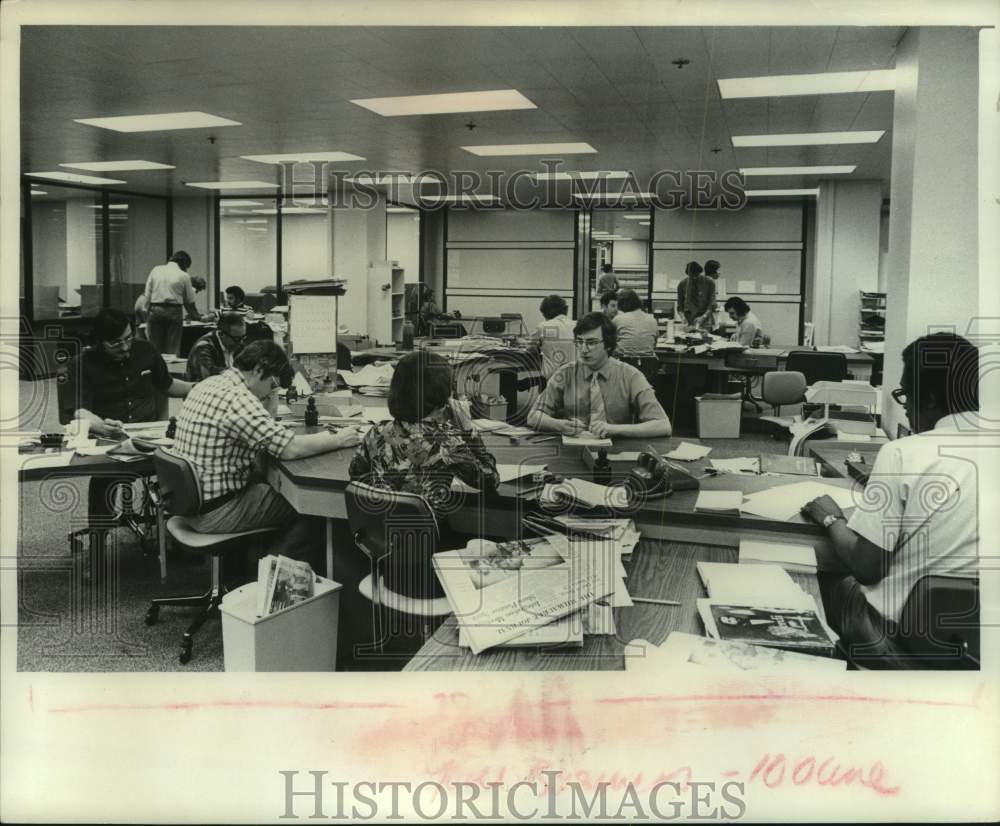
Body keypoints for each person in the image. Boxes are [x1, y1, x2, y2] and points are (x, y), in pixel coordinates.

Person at [801, 333, 981, 664]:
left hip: (901, 643)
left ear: (929, 399)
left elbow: (867, 568)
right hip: (978, 651)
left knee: (828, 574)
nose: (906, 408)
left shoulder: (901, 453)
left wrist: (832, 518)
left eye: (905, 395)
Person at [172, 340, 362, 562]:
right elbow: (289, 449)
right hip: (217, 512)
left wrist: (269, 397)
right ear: (258, 370)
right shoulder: (238, 398)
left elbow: (266, 423)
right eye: (272, 383)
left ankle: (249, 566)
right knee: (311, 507)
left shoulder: (210, 384)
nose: (273, 390)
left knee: (266, 481)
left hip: (192, 505)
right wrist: (338, 439)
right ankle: (275, 577)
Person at [60, 308, 194, 529]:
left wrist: (197, 387)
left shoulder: (146, 350)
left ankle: (177, 531)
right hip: (108, 437)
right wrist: (101, 425)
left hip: (149, 435)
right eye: (115, 343)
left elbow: (167, 385)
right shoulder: (83, 363)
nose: (124, 347)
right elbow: (79, 410)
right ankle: (99, 537)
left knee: (181, 469)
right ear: (99, 341)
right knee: (103, 479)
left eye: (128, 339)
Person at [349, 350, 500, 515]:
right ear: (442, 394)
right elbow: (490, 480)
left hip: (378, 526)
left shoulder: (376, 431)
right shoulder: (447, 442)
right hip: (426, 530)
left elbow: (356, 476)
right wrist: (468, 430)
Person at [527, 312, 671, 439]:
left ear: (608, 345)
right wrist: (560, 425)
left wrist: (614, 430)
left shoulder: (631, 375)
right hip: (574, 449)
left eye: (591, 343)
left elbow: (663, 425)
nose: (583, 349)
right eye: (579, 342)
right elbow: (533, 416)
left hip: (616, 450)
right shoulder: (565, 373)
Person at [143, 251, 211, 356]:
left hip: (155, 309)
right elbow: (189, 303)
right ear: (184, 263)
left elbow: (147, 295)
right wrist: (199, 317)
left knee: (154, 349)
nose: (186, 270)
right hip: (173, 311)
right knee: (172, 349)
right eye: (187, 267)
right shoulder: (184, 275)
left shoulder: (155, 270)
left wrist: (146, 314)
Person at [184, 312, 247, 382]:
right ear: (221, 334)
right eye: (237, 339)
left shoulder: (237, 344)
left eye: (243, 337)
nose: (241, 342)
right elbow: (208, 375)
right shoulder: (203, 347)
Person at [530, 294, 575, 378]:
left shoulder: (543, 326)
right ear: (566, 310)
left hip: (552, 378)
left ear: (545, 313)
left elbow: (530, 349)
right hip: (576, 378)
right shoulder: (578, 325)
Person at [612, 289, 659, 358]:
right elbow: (654, 344)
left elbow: (610, 343)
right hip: (647, 363)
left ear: (622, 304)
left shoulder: (618, 319)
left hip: (622, 362)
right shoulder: (652, 320)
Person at [676, 260, 716, 329]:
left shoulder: (709, 283)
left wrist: (703, 317)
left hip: (705, 320)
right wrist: (682, 317)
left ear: (700, 272)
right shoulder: (682, 284)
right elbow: (680, 306)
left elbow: (711, 304)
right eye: (691, 276)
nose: (694, 278)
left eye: (696, 275)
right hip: (689, 319)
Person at [703, 259, 722, 330]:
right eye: (718, 270)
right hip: (707, 318)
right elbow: (712, 304)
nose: (720, 273)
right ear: (713, 271)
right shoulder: (711, 282)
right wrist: (718, 307)